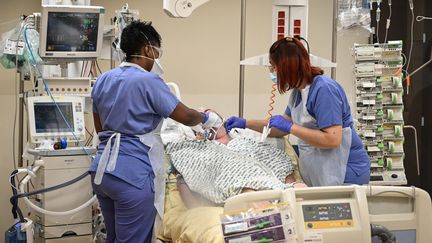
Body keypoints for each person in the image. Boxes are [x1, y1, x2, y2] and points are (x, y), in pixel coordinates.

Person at [89, 20, 222, 243]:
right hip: (131, 176)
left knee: (112, 238)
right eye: (157, 51)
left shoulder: (103, 80)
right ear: (148, 49)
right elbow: (186, 117)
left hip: (102, 174)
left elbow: (100, 128)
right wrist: (207, 118)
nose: (157, 58)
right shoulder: (148, 81)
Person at [225, 36, 370, 187]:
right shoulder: (298, 93)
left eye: (273, 67)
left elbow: (333, 139)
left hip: (346, 172)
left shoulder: (324, 90)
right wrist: (245, 123)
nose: (271, 72)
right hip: (322, 171)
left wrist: (290, 128)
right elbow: (280, 128)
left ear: (287, 66)